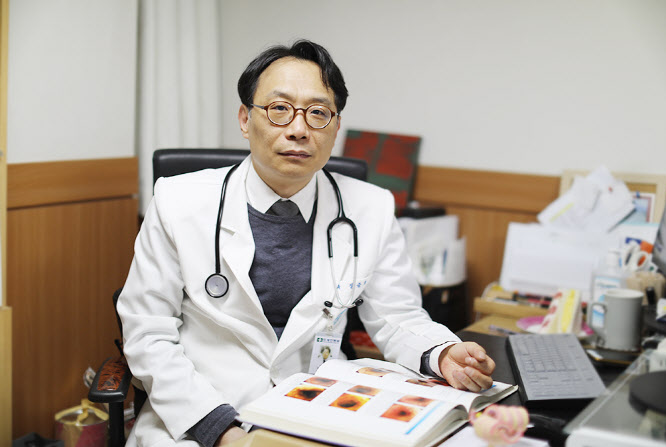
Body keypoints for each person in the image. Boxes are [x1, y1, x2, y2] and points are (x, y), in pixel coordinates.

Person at [117, 39, 495, 447]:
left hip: (318, 407)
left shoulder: (370, 207)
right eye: (279, 109)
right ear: (245, 119)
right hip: (199, 414)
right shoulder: (178, 201)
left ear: (335, 128)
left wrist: (441, 353)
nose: (298, 129)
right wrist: (220, 430)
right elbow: (148, 334)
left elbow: (397, 316)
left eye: (317, 113)